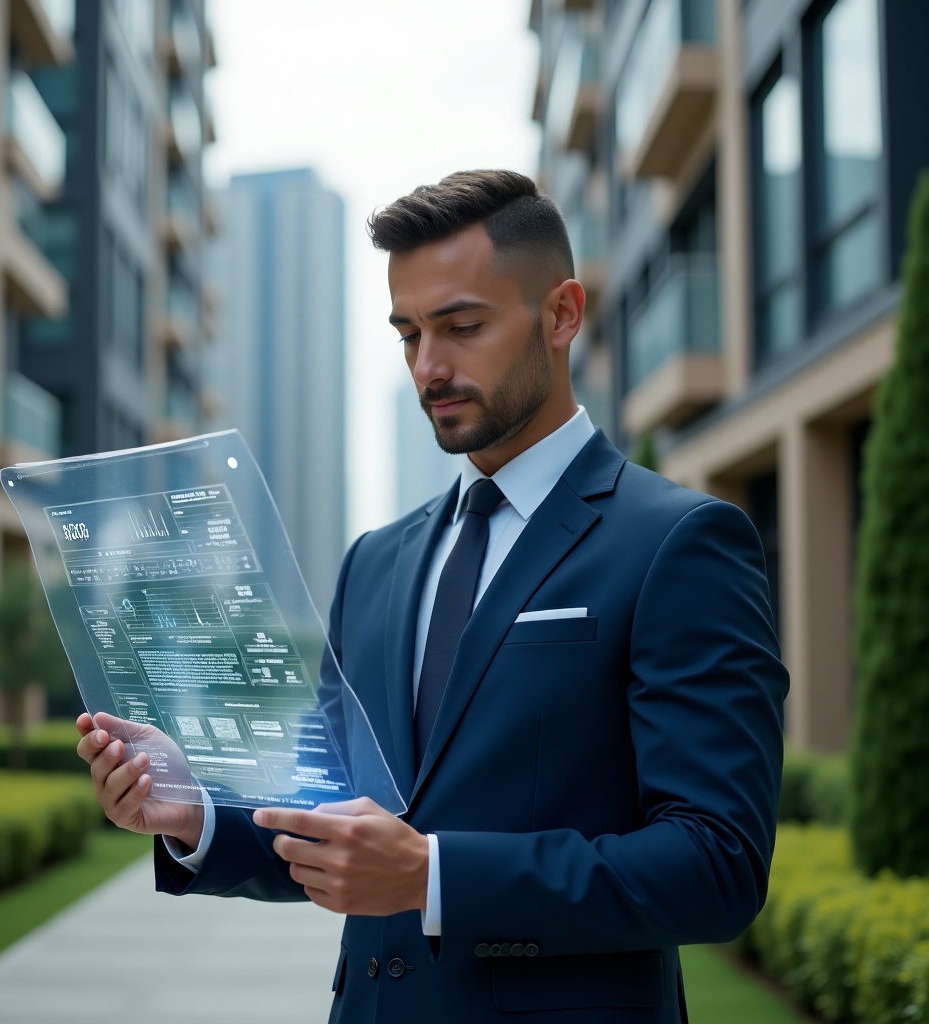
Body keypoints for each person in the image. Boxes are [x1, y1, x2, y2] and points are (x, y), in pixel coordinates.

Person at [77, 170, 788, 1023]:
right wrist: (195, 814)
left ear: (562, 313)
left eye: (462, 326)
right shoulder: (375, 563)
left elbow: (717, 864)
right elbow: (330, 817)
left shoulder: (678, 542)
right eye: (408, 333)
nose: (429, 366)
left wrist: (433, 875)